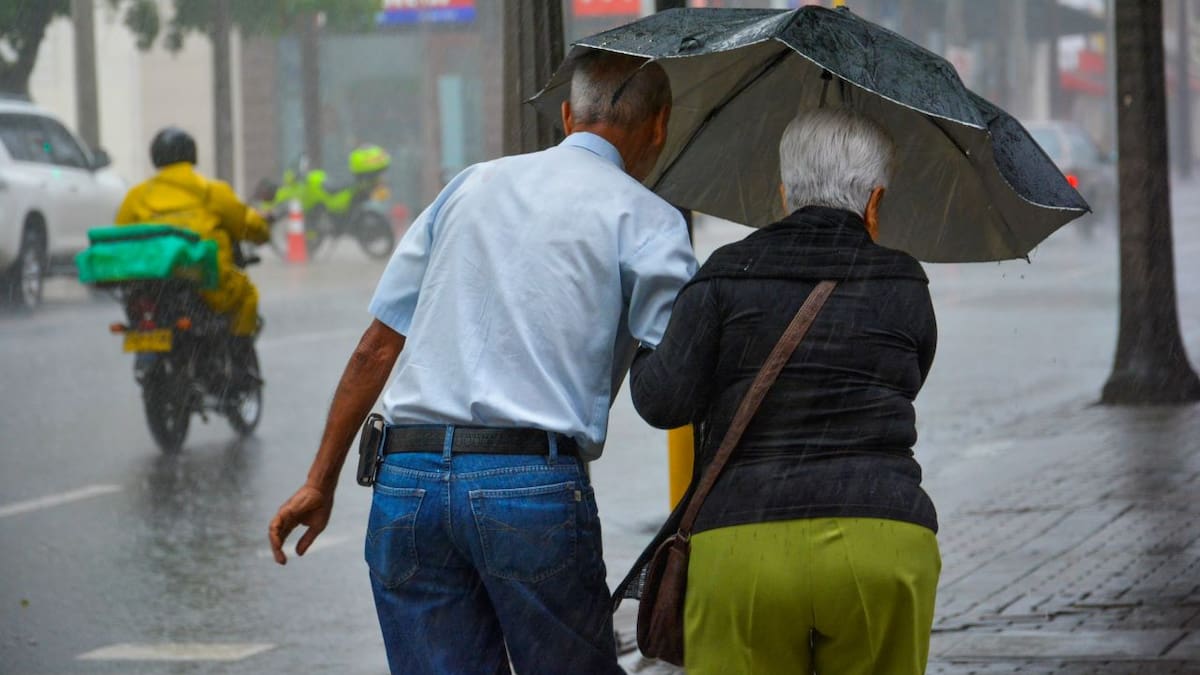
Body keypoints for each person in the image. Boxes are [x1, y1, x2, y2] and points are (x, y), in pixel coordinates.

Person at [268, 51, 697, 675]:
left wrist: (319, 481)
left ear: (567, 114)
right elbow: (677, 373)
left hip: (405, 480)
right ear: (659, 126)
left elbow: (376, 346)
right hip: (528, 486)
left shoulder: (470, 184)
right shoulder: (648, 220)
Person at [618, 107, 940, 674]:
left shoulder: (726, 274)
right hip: (881, 538)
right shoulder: (905, 282)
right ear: (874, 202)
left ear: (784, 192)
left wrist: (651, 336)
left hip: (744, 543)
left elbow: (662, 400)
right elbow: (912, 375)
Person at [115, 127, 270, 381]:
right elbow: (247, 224)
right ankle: (240, 362)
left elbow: (122, 237)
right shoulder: (211, 191)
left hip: (151, 285)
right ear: (191, 154)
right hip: (205, 284)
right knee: (247, 296)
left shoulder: (136, 196)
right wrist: (263, 231)